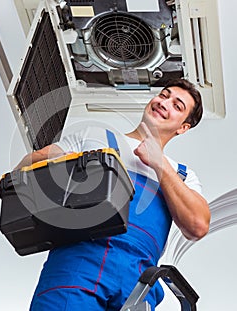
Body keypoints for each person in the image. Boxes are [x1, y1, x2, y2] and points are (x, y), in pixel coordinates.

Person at [14, 78, 210, 310]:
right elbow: (23, 169)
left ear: (183, 127)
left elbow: (197, 225)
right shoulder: (93, 137)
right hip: (76, 266)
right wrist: (77, 163)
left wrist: (160, 164)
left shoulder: (182, 176)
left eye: (178, 106)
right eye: (164, 95)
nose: (164, 102)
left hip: (137, 284)